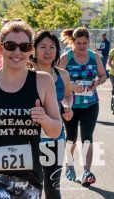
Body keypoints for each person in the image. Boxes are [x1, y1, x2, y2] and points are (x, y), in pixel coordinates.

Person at [0, 20, 62, 198]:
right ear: (0, 48)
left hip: (29, 178)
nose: (17, 52)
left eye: (24, 46)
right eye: (10, 45)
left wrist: (44, 119)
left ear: (30, 50)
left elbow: (55, 130)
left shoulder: (43, 81)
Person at [59, 27, 107, 187]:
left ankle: (87, 171)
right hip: (70, 104)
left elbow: (103, 75)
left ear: (88, 42)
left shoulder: (94, 57)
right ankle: (70, 165)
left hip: (90, 104)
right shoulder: (66, 57)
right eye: (78, 43)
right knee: (71, 137)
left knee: (87, 137)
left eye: (85, 43)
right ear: (73, 42)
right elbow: (55, 77)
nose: (81, 47)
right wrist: (71, 85)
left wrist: (97, 82)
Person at [30, 30, 73, 199]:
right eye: (43, 47)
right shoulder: (26, 75)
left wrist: (68, 107)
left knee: (52, 187)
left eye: (52, 47)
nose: (48, 51)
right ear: (34, 49)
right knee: (31, 187)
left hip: (55, 139)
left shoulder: (63, 74)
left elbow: (68, 95)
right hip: (30, 139)